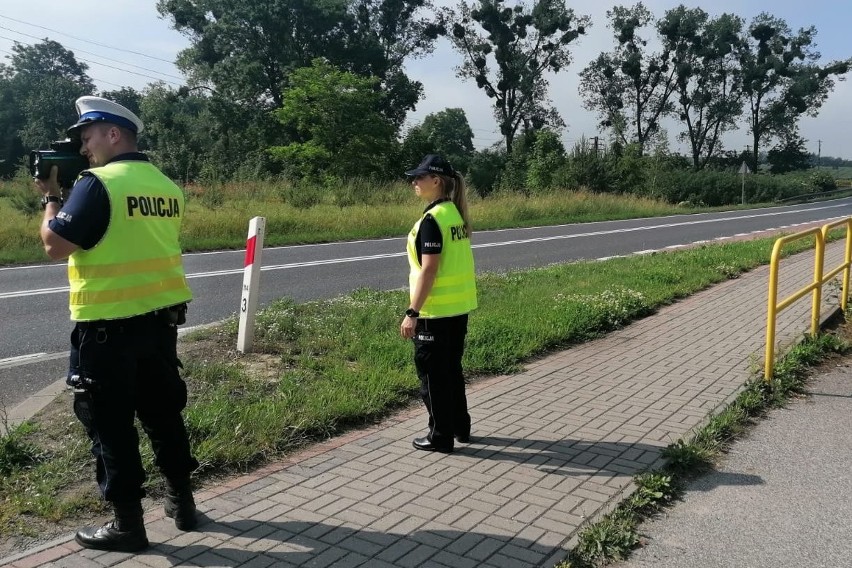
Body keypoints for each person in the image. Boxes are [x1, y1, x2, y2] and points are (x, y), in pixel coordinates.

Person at [34, 96, 199, 552]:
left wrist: (51, 199)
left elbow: (56, 246)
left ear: (112, 134)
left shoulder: (97, 184)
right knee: (165, 416)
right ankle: (182, 505)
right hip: (160, 326)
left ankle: (128, 525)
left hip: (106, 332)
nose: (83, 149)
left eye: (87, 137)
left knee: (110, 427)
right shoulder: (166, 185)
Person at [400, 154, 478, 454]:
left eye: (419, 177)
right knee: (452, 370)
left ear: (436, 180)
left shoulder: (432, 220)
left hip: (435, 312)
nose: (414, 182)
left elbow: (429, 269)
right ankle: (460, 426)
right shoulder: (455, 214)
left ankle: (440, 436)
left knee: (432, 377)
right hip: (458, 309)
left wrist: (412, 313)